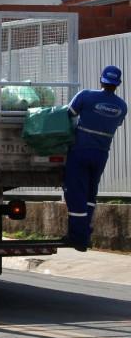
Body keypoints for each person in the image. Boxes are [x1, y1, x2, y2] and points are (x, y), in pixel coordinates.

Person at [64, 65, 127, 251]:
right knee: (90, 195)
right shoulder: (122, 106)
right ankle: (86, 232)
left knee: (76, 194)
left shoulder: (86, 96)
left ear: (101, 80)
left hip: (80, 152)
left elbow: (68, 114)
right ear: (118, 84)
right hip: (101, 154)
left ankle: (79, 239)